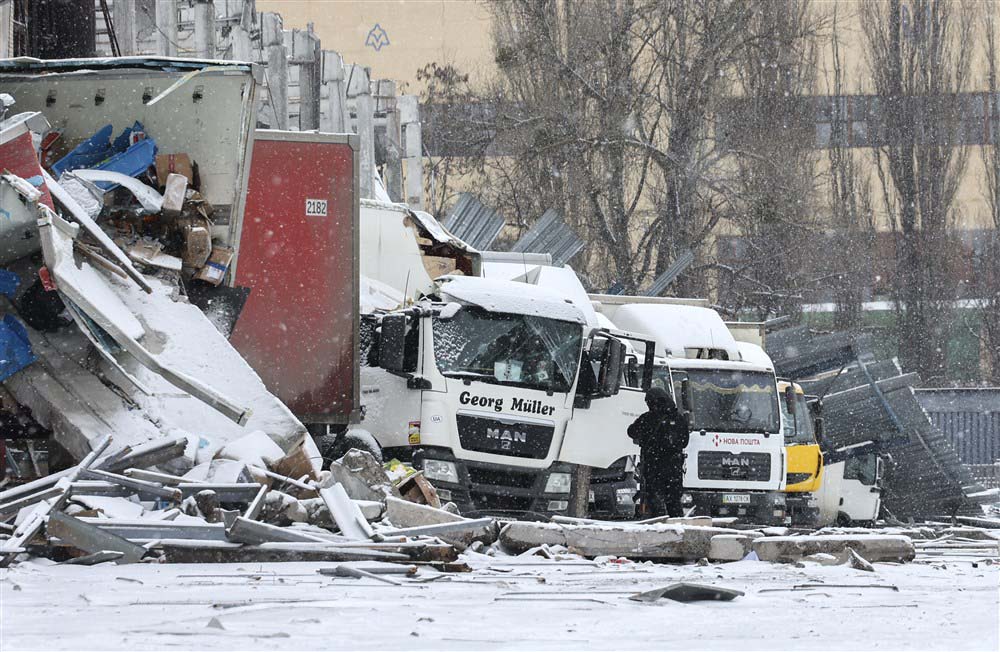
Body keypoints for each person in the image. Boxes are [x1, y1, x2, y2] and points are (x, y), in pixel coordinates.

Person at [628, 387, 691, 517]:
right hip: (674, 467)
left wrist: (649, 440)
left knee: (655, 501)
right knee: (673, 502)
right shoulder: (678, 419)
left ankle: (659, 523)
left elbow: (631, 431)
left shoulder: (647, 418)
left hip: (653, 466)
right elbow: (685, 441)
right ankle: (676, 526)